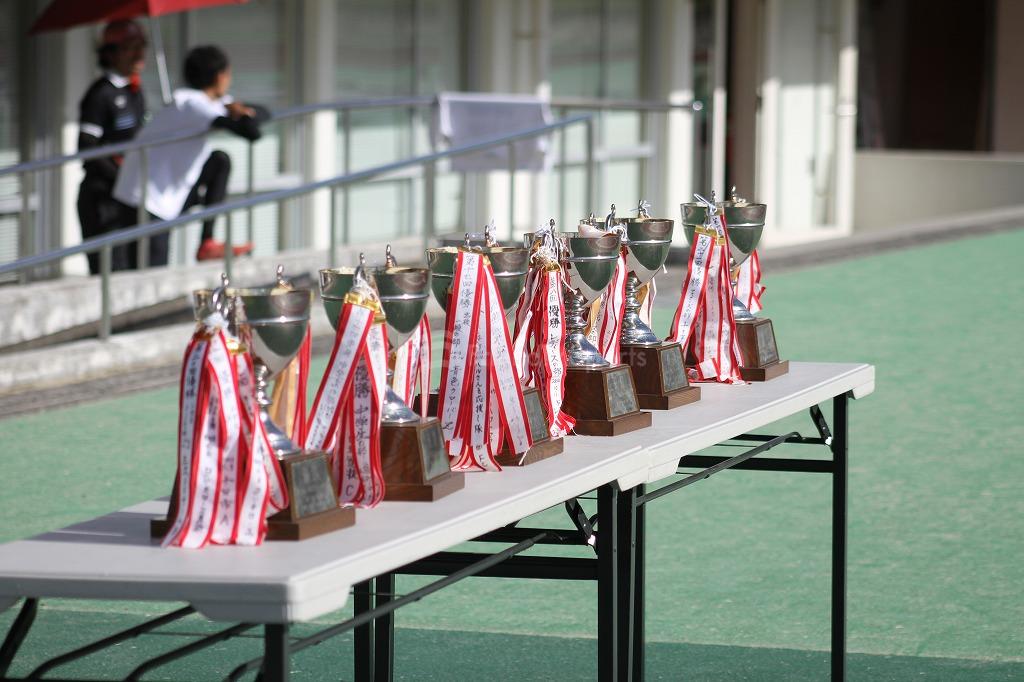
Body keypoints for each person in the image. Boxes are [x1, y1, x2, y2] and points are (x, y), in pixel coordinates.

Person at [114, 45, 264, 263]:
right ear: (220, 76)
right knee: (152, 267)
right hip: (144, 196)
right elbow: (251, 132)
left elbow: (263, 112)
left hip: (167, 190)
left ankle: (207, 242)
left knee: (219, 161)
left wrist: (240, 109)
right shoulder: (191, 104)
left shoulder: (209, 102)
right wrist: (242, 113)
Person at [76, 20, 147, 274]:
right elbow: (87, 147)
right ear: (111, 53)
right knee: (110, 272)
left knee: (133, 270)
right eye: (131, 48)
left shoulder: (135, 91)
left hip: (127, 195)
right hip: (102, 197)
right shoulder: (100, 94)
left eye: (141, 46)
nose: (139, 55)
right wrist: (119, 177)